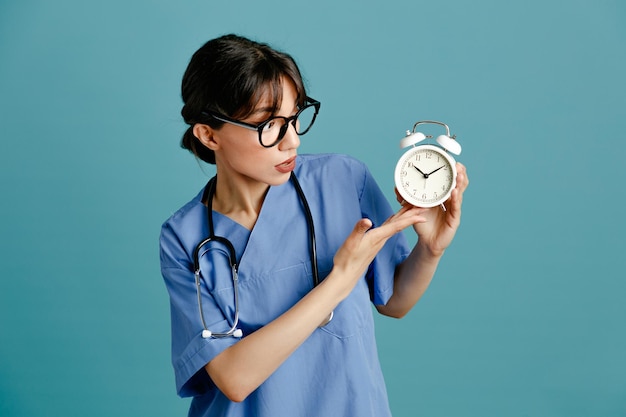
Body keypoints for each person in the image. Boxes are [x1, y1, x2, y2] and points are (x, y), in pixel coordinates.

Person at [159, 34, 469, 417]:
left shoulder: (342, 179)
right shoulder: (184, 238)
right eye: (268, 124)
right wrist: (340, 279)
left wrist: (432, 249)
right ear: (208, 135)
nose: (290, 141)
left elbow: (395, 301)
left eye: (294, 118)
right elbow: (234, 378)